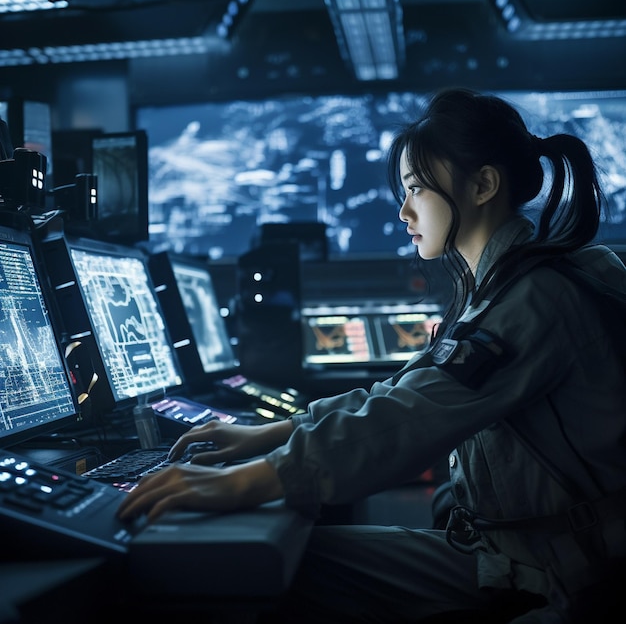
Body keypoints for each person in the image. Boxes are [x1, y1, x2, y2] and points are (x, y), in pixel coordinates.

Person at [117, 88, 626, 623]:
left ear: (482, 185)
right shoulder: (511, 284)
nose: (404, 210)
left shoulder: (536, 296)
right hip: (514, 552)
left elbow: (407, 421)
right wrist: (269, 435)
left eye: (416, 190)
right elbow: (400, 395)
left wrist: (243, 480)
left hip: (562, 576)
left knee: (263, 569)